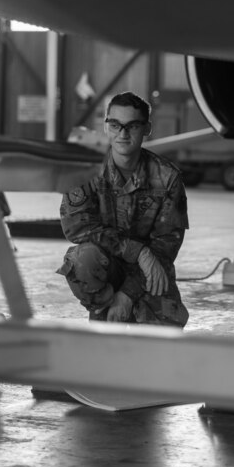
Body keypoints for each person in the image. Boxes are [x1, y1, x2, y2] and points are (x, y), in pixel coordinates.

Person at [57, 91, 190, 327]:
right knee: (82, 258)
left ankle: (124, 307)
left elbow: (166, 246)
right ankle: (104, 311)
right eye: (116, 125)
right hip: (107, 265)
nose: (123, 133)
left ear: (147, 128)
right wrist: (138, 251)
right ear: (106, 127)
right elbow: (76, 227)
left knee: (162, 347)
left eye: (132, 126)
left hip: (150, 272)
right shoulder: (86, 169)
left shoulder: (167, 178)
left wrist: (127, 295)